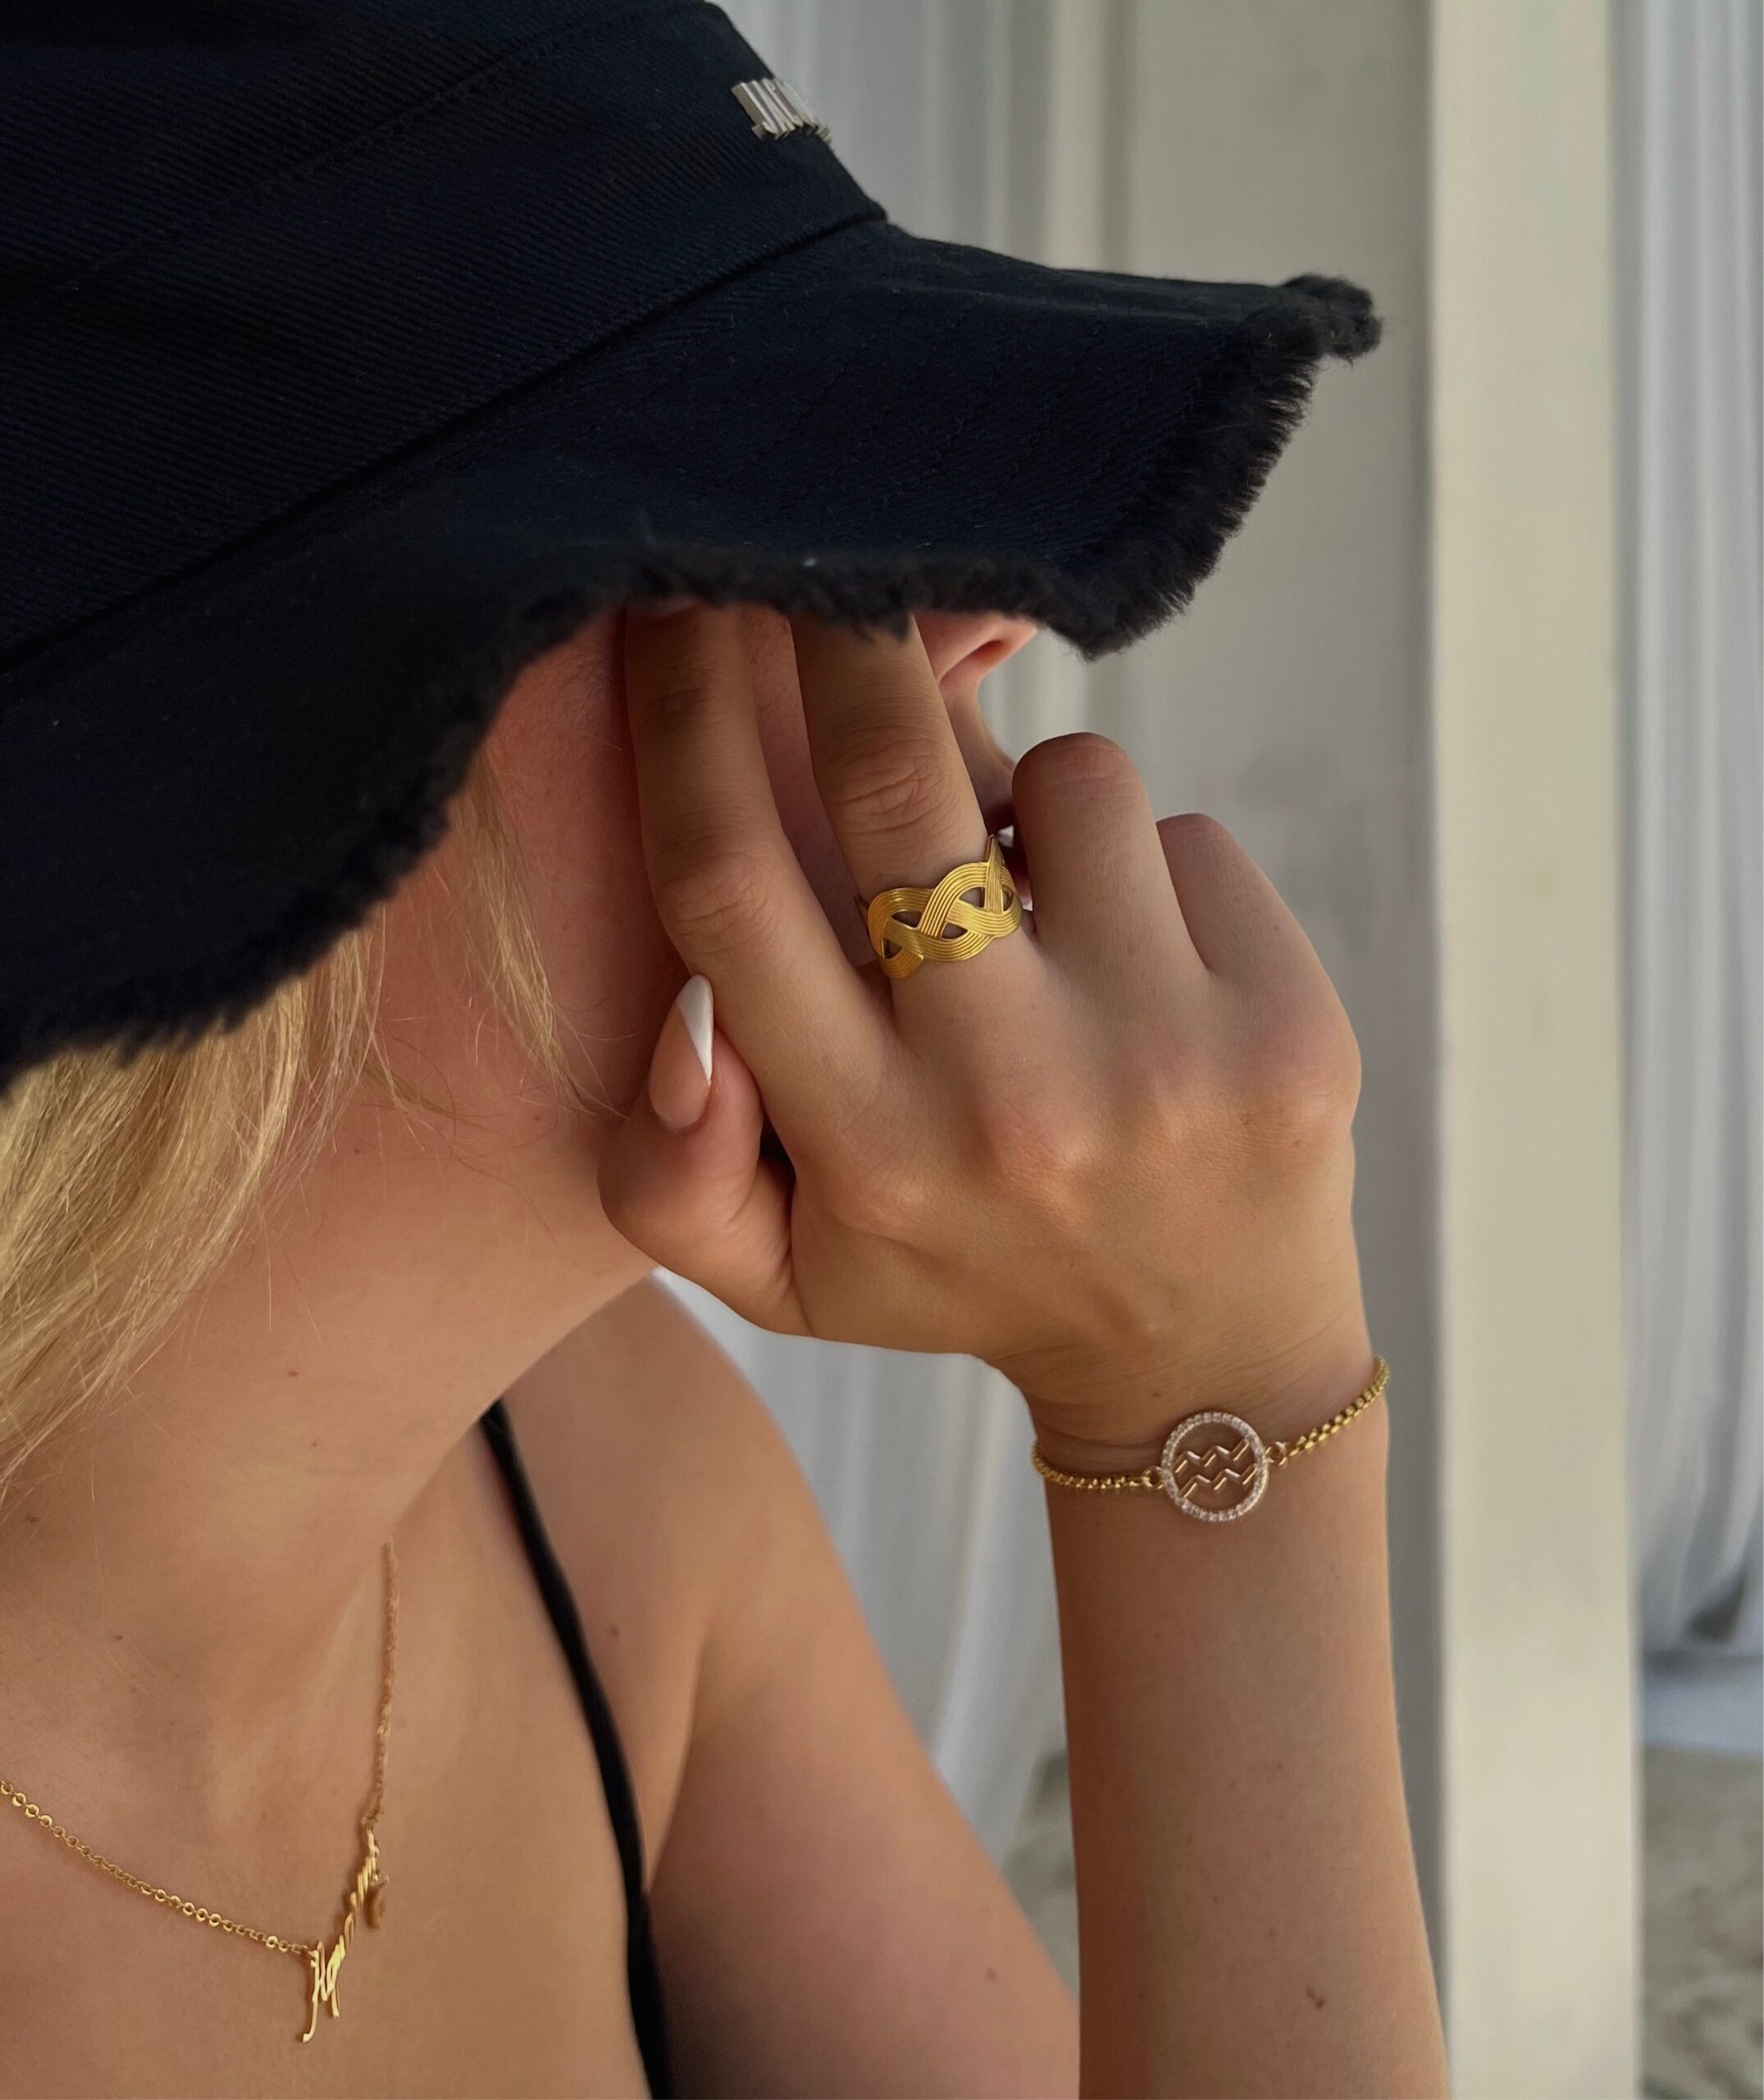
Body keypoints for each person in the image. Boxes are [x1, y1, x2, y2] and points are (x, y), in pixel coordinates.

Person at [0, 3, 1449, 2093]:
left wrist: (1207, 1398)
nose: (967, 613)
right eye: (724, 513)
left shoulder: (608, 1483)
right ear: (230, 769)